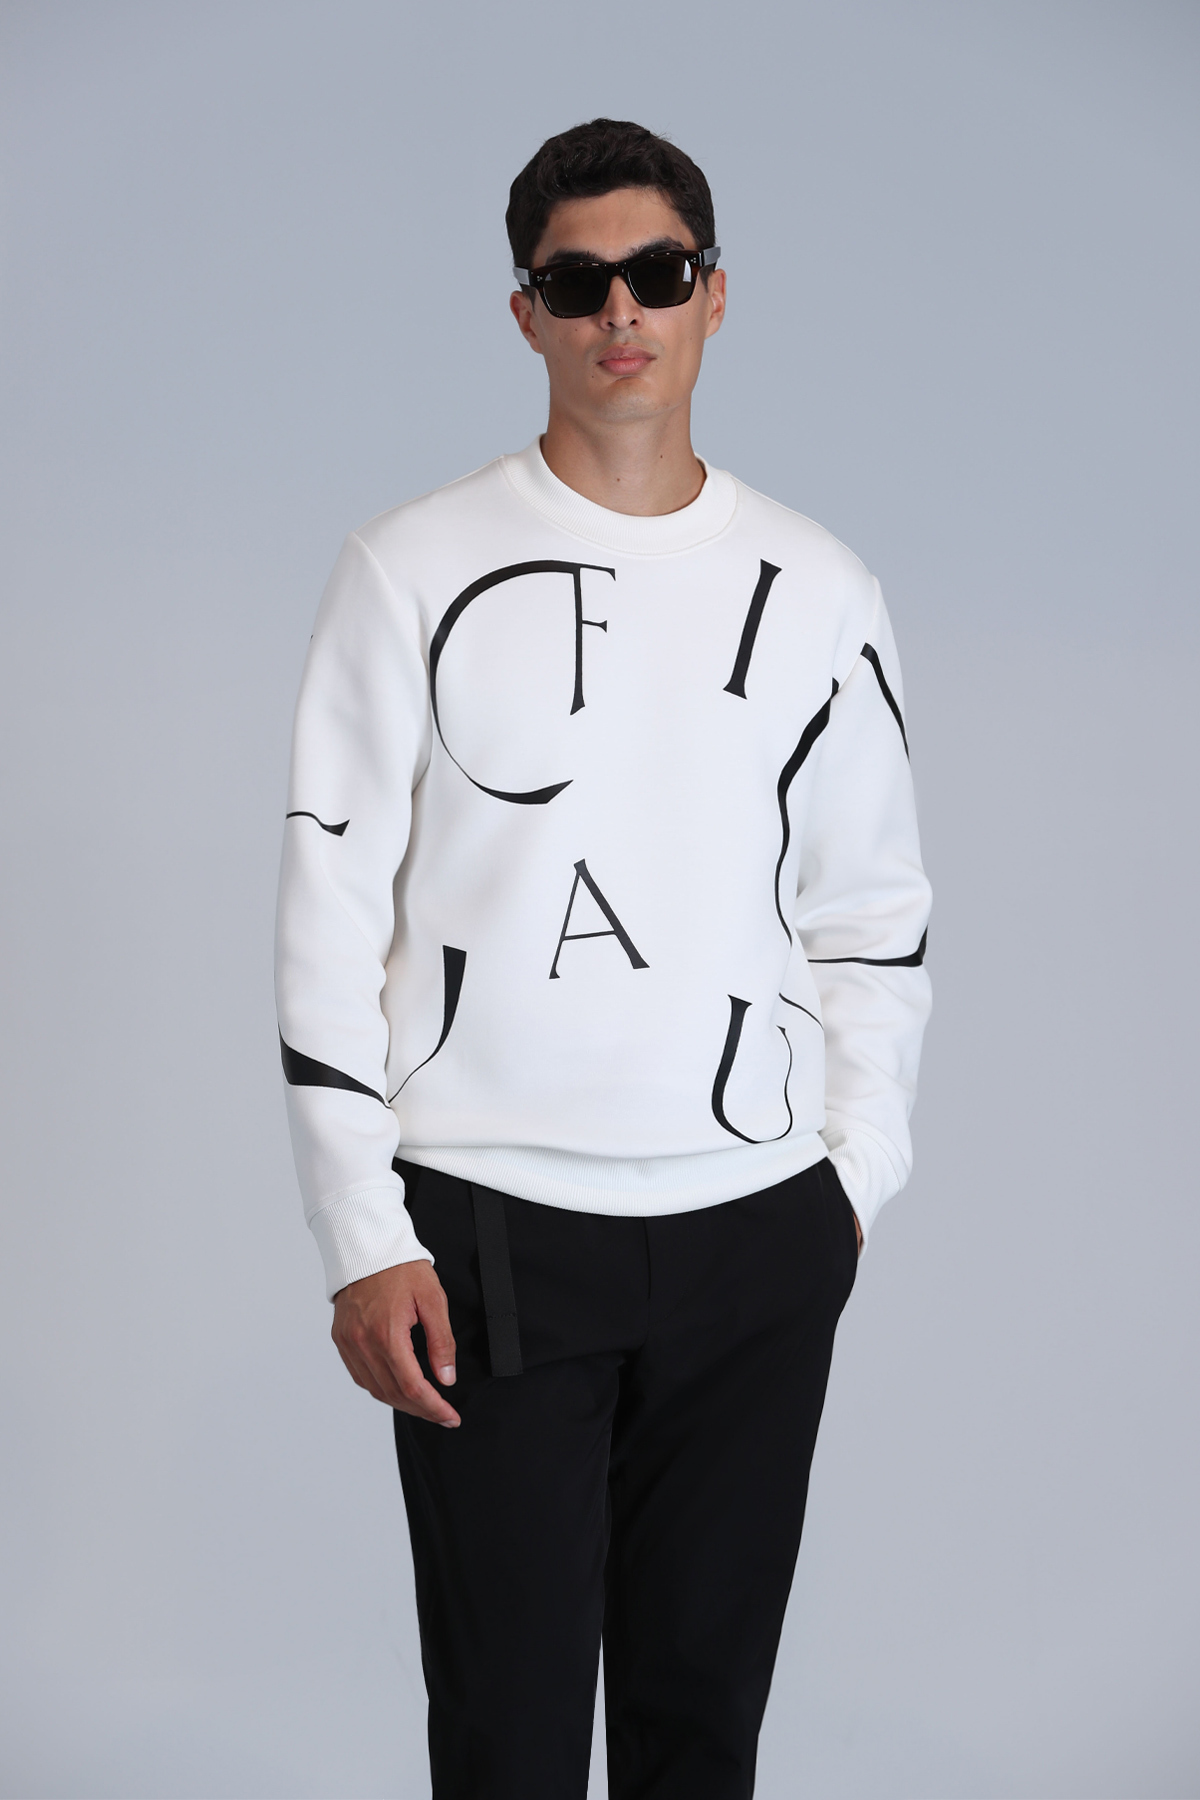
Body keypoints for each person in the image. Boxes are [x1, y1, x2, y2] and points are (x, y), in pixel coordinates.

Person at [274, 117, 932, 1800]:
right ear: (527, 314)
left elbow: (871, 910)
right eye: (577, 283)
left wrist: (851, 1179)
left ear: (715, 294)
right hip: (490, 1232)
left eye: (657, 272)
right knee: (506, 1743)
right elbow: (329, 909)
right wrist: (362, 1233)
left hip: (757, 1234)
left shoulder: (820, 586)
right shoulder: (410, 567)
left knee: (701, 1734)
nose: (620, 310)